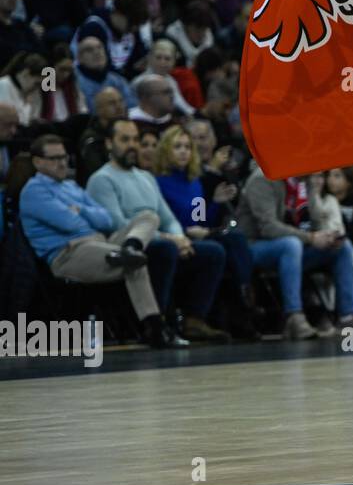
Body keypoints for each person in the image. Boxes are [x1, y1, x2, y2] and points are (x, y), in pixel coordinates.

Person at [20, 133, 189, 349]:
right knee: (135, 263)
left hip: (101, 243)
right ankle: (156, 327)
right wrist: (86, 216)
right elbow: (72, 225)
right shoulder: (33, 190)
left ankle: (131, 247)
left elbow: (107, 220)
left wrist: (79, 210)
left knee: (149, 217)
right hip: (68, 253)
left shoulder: (71, 186)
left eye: (64, 157)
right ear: (38, 162)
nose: (62, 163)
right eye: (54, 158)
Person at [85, 119, 229, 342]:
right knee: (164, 248)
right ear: (109, 144)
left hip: (170, 240)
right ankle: (159, 322)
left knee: (214, 251)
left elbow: (173, 218)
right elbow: (117, 225)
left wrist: (182, 236)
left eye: (135, 139)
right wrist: (174, 237)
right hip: (130, 245)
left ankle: (195, 320)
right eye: (125, 139)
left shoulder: (160, 179)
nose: (132, 145)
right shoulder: (102, 179)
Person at [237, 161, 353, 339]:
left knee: (341, 247)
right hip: (253, 246)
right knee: (291, 244)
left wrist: (325, 236)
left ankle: (348, 316)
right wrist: (312, 238)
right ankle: (294, 317)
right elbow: (268, 227)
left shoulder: (303, 181)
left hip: (292, 248)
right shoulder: (262, 179)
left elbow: (316, 222)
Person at [153, 124, 260, 340]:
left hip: (196, 234)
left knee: (235, 238)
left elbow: (199, 219)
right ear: (166, 150)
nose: (183, 151)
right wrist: (188, 231)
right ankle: (242, 304)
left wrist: (215, 202)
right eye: (177, 147)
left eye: (187, 147)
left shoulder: (194, 183)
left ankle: (240, 299)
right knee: (223, 247)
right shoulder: (158, 182)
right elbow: (163, 220)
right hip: (175, 239)